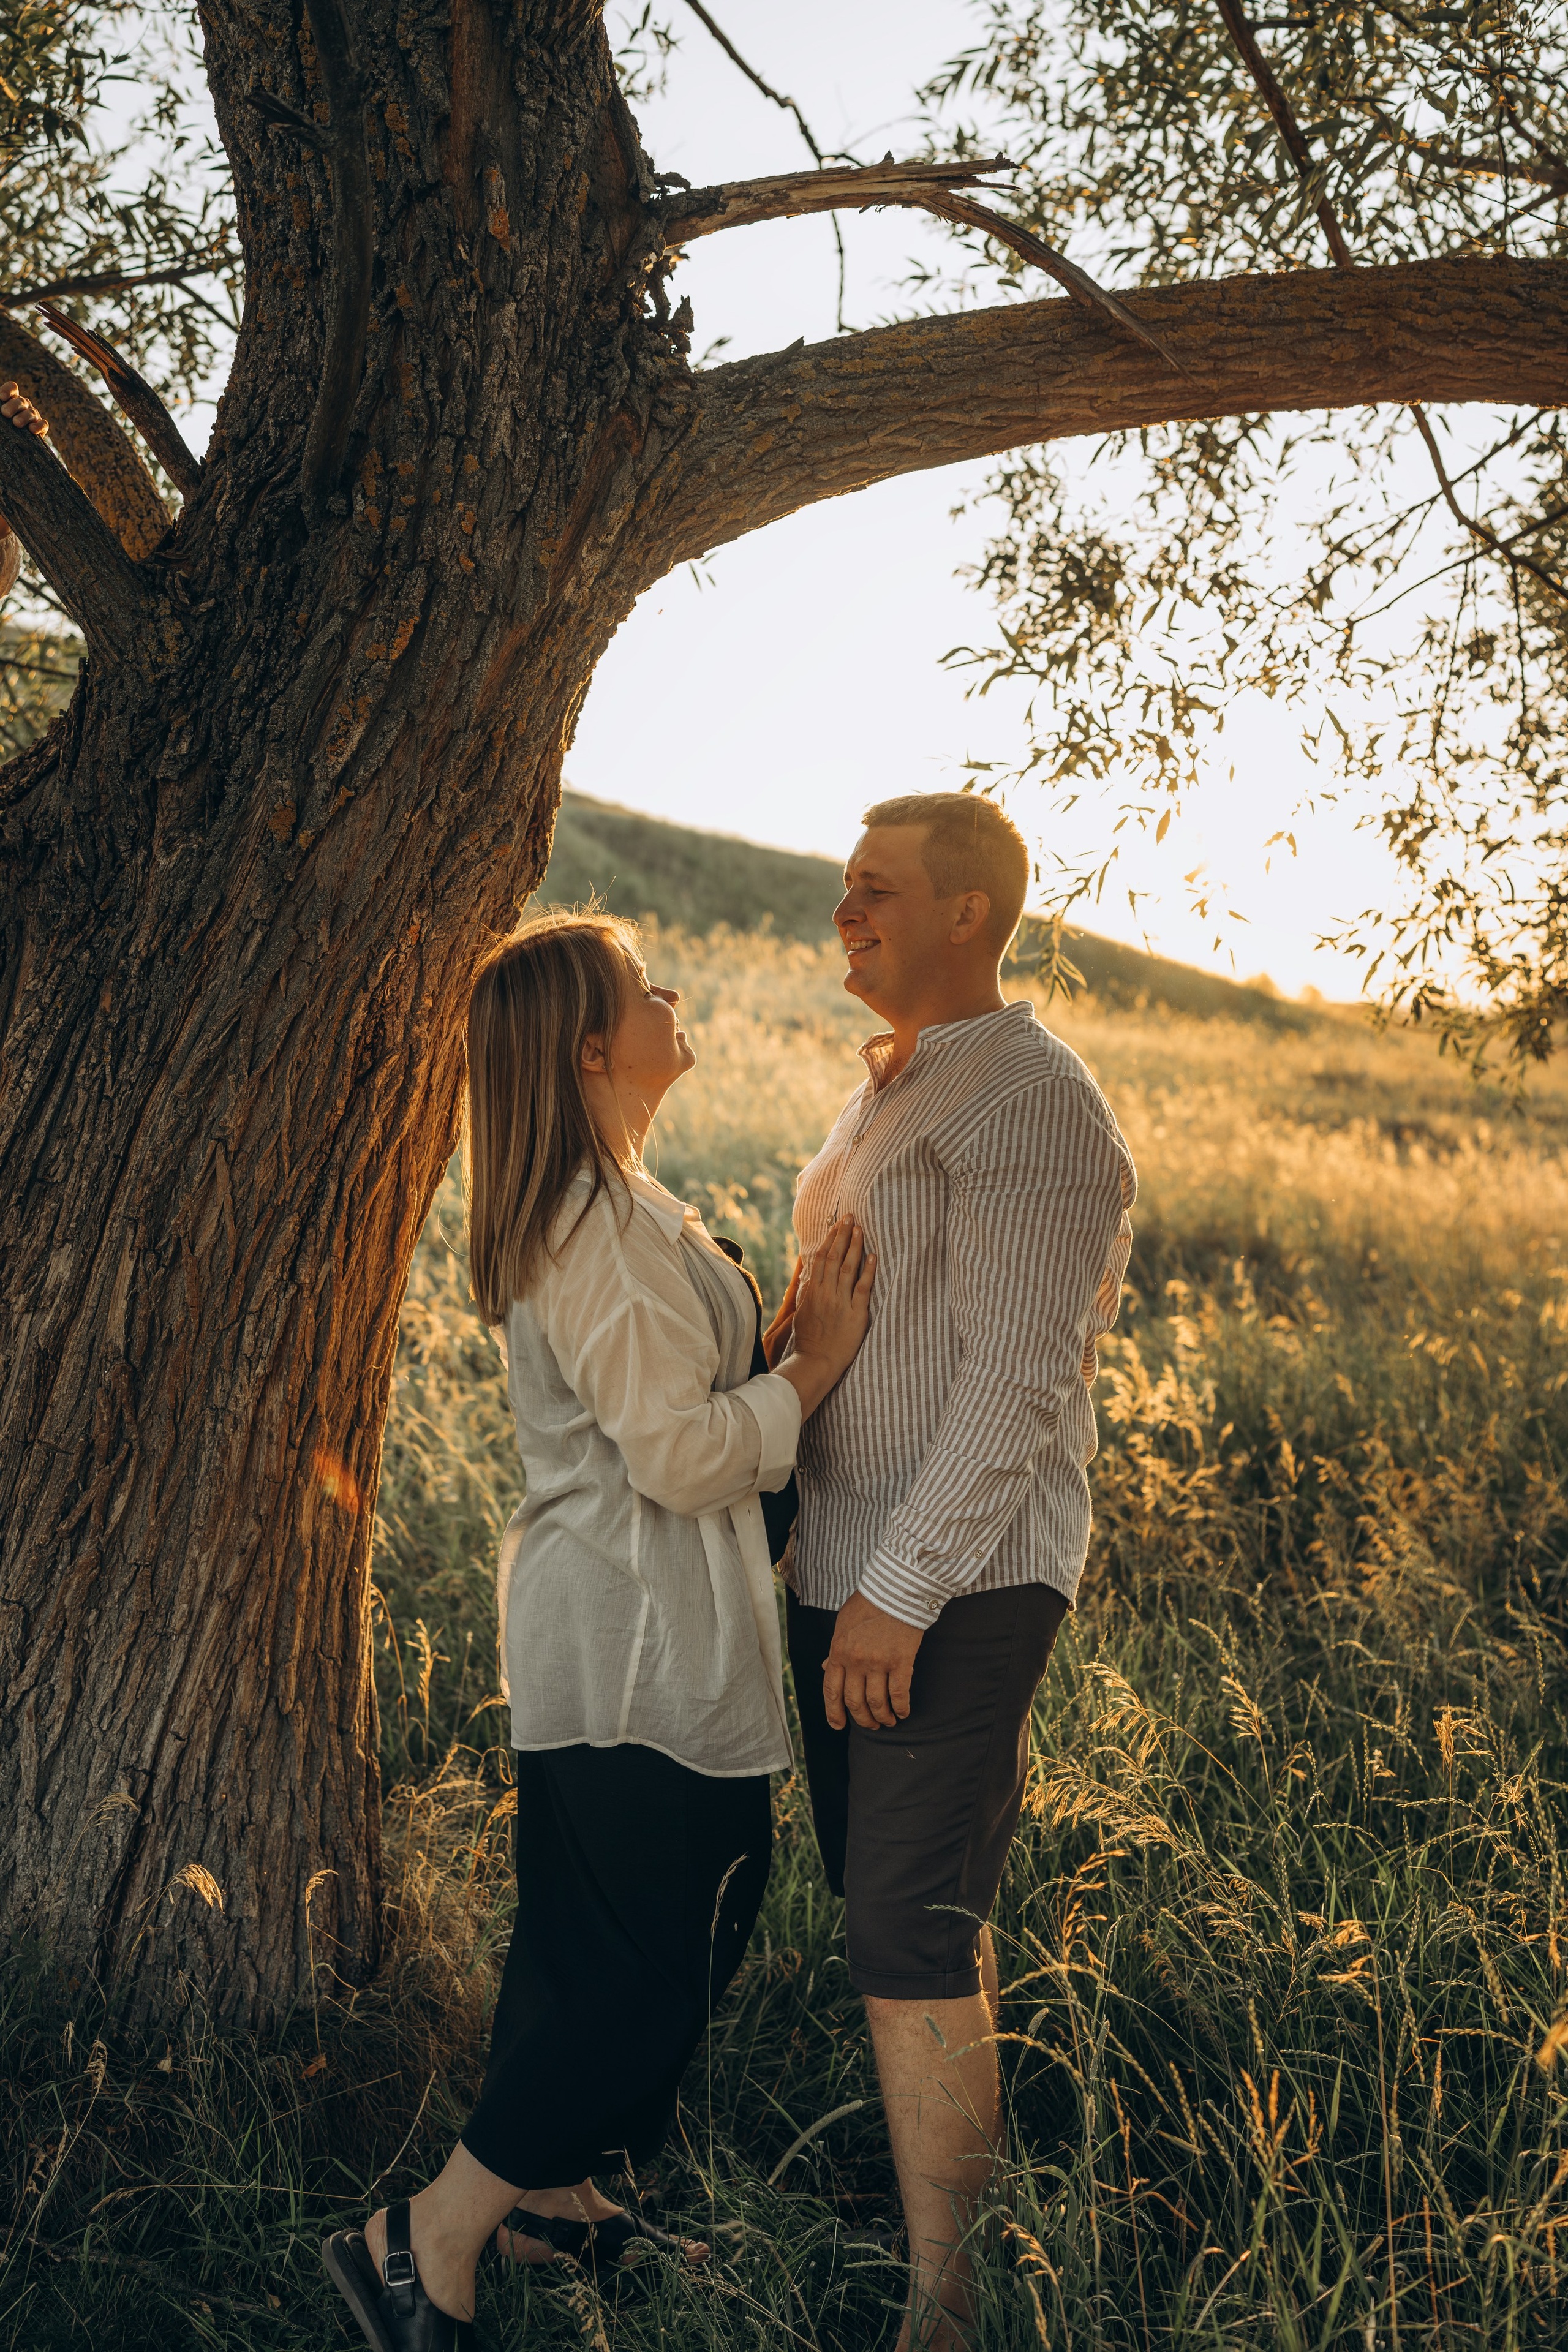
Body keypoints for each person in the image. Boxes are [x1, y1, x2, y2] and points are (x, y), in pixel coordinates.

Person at [324, 910, 874, 2352]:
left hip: (625, 1632)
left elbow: (665, 1411)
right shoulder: (598, 1226)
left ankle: (546, 2197)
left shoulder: (617, 1208)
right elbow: (679, 1459)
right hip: (635, 1642)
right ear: (587, 1051)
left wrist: (764, 1357)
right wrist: (807, 1376)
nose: (672, 995)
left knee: (597, 1947)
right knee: (652, 1963)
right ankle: (422, 2240)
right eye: (643, 990)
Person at [772, 793, 1137, 2352]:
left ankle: (948, 2306)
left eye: (876, 891)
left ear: (968, 913)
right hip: (844, 1573)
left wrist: (899, 1590)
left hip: (952, 1584)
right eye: (843, 888)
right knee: (898, 1916)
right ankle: (934, 2230)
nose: (844, 911)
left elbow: (1017, 1381)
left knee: (906, 1928)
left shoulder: (1030, 1101)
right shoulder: (890, 1092)